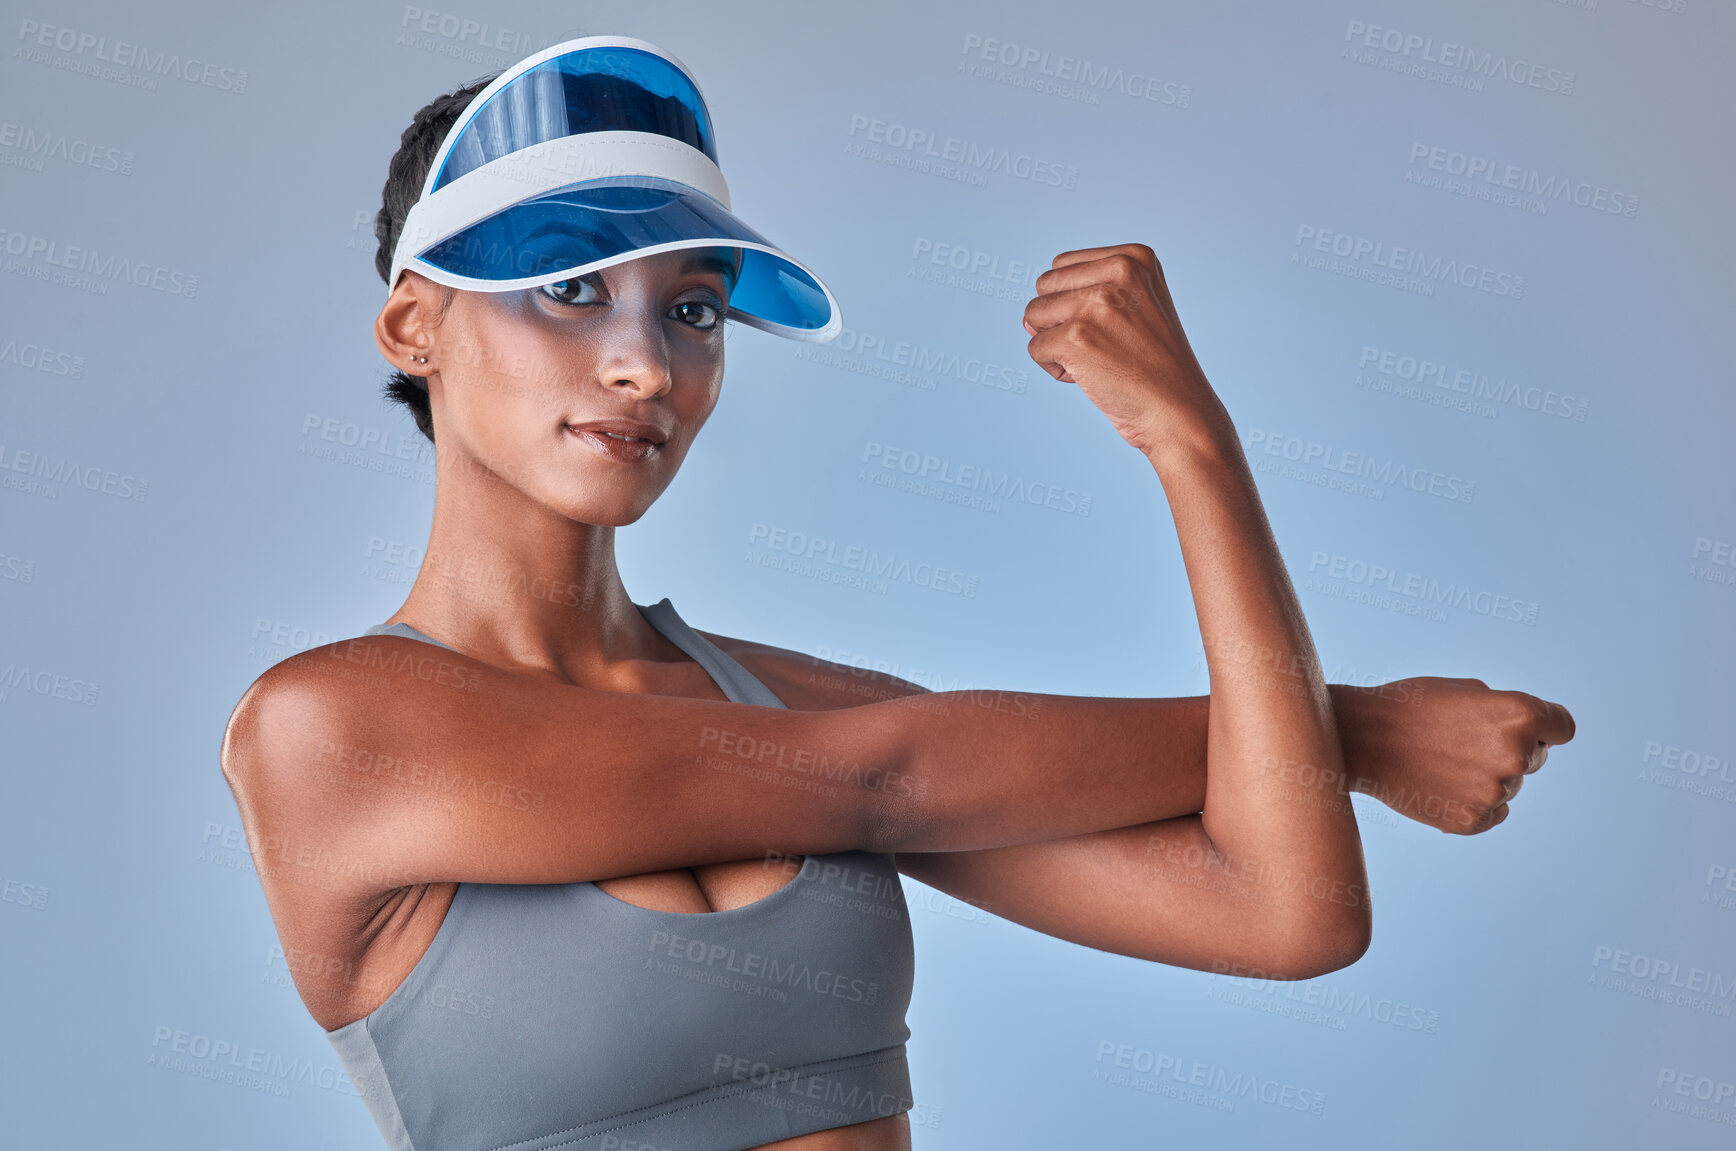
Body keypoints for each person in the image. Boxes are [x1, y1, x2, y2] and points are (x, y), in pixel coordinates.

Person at [218, 35, 1574, 1151]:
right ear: (414, 327)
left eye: (691, 309)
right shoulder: (330, 729)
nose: (646, 365)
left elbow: (1282, 911)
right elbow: (884, 783)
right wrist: (1364, 730)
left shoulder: (799, 708)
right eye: (569, 288)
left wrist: (1193, 448)